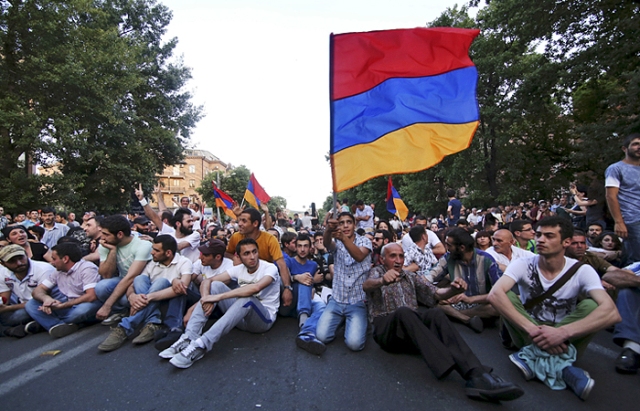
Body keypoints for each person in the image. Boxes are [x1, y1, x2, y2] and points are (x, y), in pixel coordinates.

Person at [364, 243, 524, 402]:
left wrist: (453, 290)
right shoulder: (376, 272)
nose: (398, 260)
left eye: (401, 256)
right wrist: (382, 281)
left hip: (411, 329)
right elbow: (367, 286)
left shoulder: (410, 276)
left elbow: (436, 293)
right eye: (393, 256)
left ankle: (477, 374)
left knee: (435, 313)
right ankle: (446, 360)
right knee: (404, 312)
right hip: (386, 330)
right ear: (383, 259)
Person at [488, 216, 620, 400]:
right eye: (539, 235)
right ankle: (566, 369)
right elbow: (494, 294)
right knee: (506, 295)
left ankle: (531, 357)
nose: (541, 239)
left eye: (549, 236)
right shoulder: (523, 264)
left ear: (566, 242)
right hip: (527, 332)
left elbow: (612, 312)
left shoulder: (582, 270)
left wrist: (562, 333)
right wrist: (533, 329)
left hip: (567, 338)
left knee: (594, 305)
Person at [160, 238, 280, 368]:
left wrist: (217, 297)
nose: (252, 257)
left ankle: (202, 345)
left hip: (263, 320)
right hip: (239, 318)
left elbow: (255, 288)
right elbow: (207, 282)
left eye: (254, 252)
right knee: (215, 284)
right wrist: (206, 298)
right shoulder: (238, 269)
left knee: (248, 299)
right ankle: (189, 337)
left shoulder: (270, 268)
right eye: (246, 254)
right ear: (238, 256)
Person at [98, 235, 193, 352]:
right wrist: (132, 296)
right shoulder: (152, 263)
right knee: (139, 279)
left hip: (168, 305)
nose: (152, 253)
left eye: (156, 250)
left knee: (161, 282)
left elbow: (183, 287)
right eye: (152, 249)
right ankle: (152, 322)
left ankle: (125, 327)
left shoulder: (184, 262)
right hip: (151, 303)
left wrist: (149, 297)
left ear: (168, 253)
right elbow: (132, 285)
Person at [428, 228, 501, 333]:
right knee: (436, 302)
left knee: (497, 306)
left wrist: (471, 299)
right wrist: (446, 295)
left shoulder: (486, 260)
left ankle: (458, 315)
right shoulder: (448, 258)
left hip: (482, 302)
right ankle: (466, 319)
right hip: (457, 303)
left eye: (449, 245)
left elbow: (498, 292)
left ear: (462, 247)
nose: (446, 248)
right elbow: (430, 275)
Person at [317, 212, 371, 351]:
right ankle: (342, 320)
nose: (345, 225)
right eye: (341, 223)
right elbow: (327, 243)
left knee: (355, 344)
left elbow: (359, 256)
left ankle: (351, 321)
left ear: (355, 224)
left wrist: (343, 238)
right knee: (322, 337)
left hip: (357, 302)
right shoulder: (336, 242)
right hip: (337, 300)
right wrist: (329, 229)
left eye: (349, 222)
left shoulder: (365, 241)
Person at [25, 242, 101, 338]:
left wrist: (62, 306)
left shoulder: (87, 268)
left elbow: (91, 296)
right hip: (69, 305)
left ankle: (47, 323)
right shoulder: (58, 272)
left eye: (54, 259)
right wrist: (46, 299)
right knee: (31, 304)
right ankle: (59, 325)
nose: (52, 262)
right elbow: (38, 290)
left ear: (65, 259)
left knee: (82, 310)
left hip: (87, 303)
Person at [225, 207, 293, 312]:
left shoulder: (270, 239)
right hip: (244, 279)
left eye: (244, 221)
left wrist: (287, 288)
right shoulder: (235, 237)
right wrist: (234, 257)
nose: (239, 224)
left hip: (266, 281)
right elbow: (227, 253)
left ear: (255, 224)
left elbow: (282, 265)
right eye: (239, 220)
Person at [94, 215, 153, 326]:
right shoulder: (106, 245)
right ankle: (121, 311)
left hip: (142, 282)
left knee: (124, 300)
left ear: (120, 234)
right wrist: (112, 251)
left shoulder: (143, 245)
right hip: (123, 279)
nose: (102, 238)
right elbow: (106, 274)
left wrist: (107, 305)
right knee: (101, 287)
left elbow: (131, 277)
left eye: (106, 234)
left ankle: (138, 314)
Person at [0, 245, 56, 337]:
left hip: (46, 304)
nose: (19, 263)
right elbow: (4, 298)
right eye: (12, 261)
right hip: (23, 305)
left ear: (26, 255)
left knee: (16, 317)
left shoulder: (43, 269)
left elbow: (42, 300)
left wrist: (7, 309)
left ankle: (39, 324)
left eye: (21, 258)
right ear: (3, 263)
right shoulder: (3, 273)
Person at [606, 134, 640, 265]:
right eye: (636, 144)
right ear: (624, 148)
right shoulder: (615, 169)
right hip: (632, 220)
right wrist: (619, 222)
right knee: (636, 261)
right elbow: (610, 196)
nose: (639, 147)